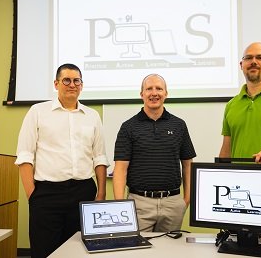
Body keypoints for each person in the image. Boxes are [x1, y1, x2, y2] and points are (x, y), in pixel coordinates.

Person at [15, 63, 109, 258]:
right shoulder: (37, 112)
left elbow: (99, 157)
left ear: (82, 85)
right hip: (46, 194)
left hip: (84, 192)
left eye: (77, 81)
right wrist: (32, 194)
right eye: (66, 80)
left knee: (81, 251)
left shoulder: (92, 116)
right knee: (44, 251)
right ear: (56, 84)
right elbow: (25, 156)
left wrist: (101, 194)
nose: (72, 84)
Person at [113, 73, 196, 232]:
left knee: (170, 251)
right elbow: (120, 169)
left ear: (166, 93)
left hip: (173, 204)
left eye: (159, 88)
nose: (154, 93)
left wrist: (186, 200)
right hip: (139, 204)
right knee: (139, 251)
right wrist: (120, 205)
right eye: (149, 88)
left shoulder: (179, 125)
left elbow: (187, 165)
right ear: (141, 94)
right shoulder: (128, 127)